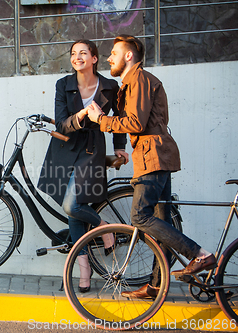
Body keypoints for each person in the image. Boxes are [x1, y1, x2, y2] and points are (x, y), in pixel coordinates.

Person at [87, 35, 216, 299]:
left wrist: (101, 119)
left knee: (139, 217)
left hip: (152, 156)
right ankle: (157, 285)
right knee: (161, 221)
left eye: (113, 53)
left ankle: (200, 255)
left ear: (129, 56)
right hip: (154, 155)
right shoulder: (132, 83)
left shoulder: (140, 80)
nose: (109, 58)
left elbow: (134, 122)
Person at [38, 39, 128, 293]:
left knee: (72, 204)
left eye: (83, 53)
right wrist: (80, 116)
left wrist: (120, 145)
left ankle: (103, 228)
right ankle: (84, 267)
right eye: (73, 54)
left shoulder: (111, 86)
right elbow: (62, 125)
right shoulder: (63, 85)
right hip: (65, 150)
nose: (77, 57)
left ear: (94, 58)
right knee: (73, 210)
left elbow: (118, 118)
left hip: (91, 150)